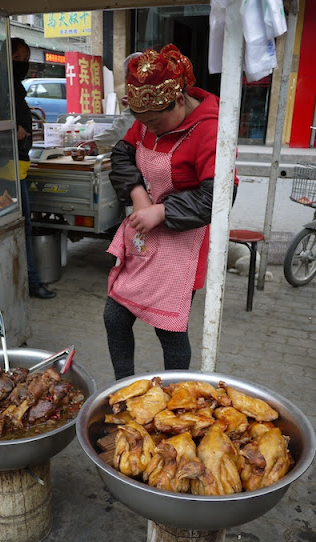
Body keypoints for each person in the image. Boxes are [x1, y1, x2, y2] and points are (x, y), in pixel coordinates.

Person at [104, 44, 238, 380]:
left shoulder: (211, 129)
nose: (151, 129)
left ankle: (177, 397)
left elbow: (218, 196)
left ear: (179, 99)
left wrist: (162, 211)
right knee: (115, 316)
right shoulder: (149, 119)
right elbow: (122, 154)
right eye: (143, 122)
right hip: (145, 234)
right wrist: (138, 195)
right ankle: (122, 387)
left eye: (156, 122)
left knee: (169, 328)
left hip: (184, 240)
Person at [0, 38, 56, 299]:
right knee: (22, 226)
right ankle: (30, 282)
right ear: (5, 58)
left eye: (25, 59)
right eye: (18, 58)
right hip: (5, 168)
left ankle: (20, 280)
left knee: (20, 225)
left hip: (14, 164)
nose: (23, 64)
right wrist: (14, 128)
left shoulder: (8, 82)